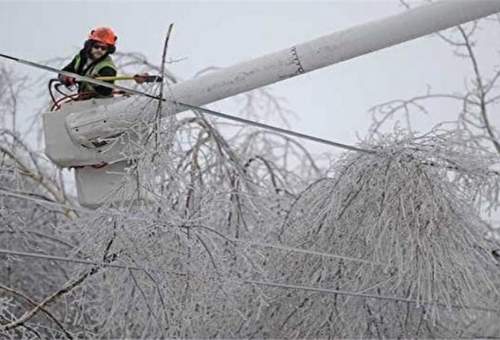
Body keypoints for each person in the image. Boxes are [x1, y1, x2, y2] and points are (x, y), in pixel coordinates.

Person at [59, 27, 119, 98]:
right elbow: (67, 70)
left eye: (103, 48)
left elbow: (106, 91)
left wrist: (96, 84)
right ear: (90, 45)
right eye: (96, 47)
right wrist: (65, 77)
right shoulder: (81, 57)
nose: (99, 50)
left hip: (100, 104)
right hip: (83, 100)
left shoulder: (107, 68)